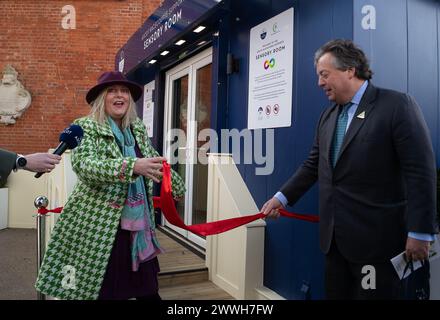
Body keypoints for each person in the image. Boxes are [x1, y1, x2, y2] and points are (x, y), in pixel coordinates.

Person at [261, 39, 438, 299]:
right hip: (335, 244)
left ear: (350, 70)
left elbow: (420, 172)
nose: (319, 83)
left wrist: (420, 231)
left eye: (324, 74)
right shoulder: (328, 116)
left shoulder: (396, 106)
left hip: (378, 245)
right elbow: (313, 165)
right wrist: (281, 198)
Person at [35, 71, 185, 300]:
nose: (119, 96)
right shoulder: (86, 127)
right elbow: (85, 166)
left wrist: (176, 186)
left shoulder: (136, 129)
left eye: (124, 91)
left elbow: (154, 160)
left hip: (137, 226)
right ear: (101, 98)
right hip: (100, 229)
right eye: (112, 91)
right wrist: (132, 166)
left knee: (148, 291)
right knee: (106, 292)